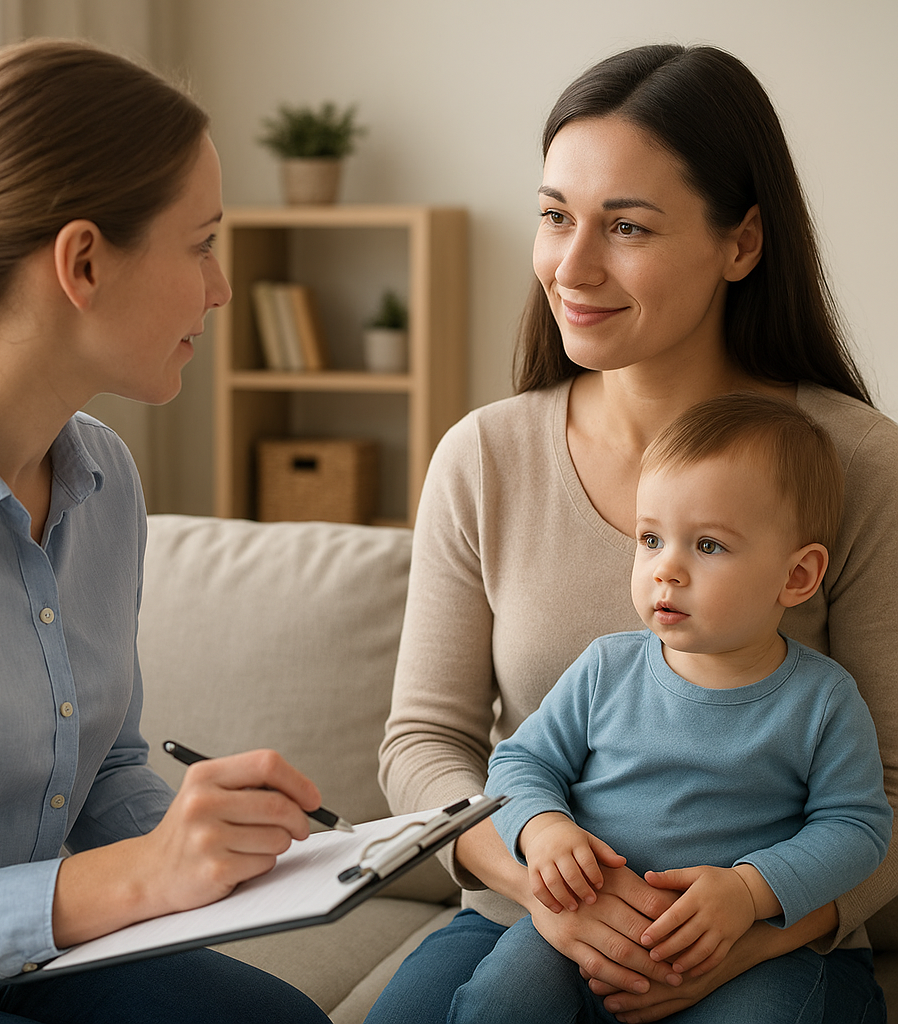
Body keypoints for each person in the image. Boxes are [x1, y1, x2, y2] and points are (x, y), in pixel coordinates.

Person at [370, 42, 898, 1024]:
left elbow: (891, 791)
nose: (570, 266)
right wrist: (545, 883)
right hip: (522, 921)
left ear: (740, 243)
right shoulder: (484, 455)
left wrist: (750, 927)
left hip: (768, 948)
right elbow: (424, 748)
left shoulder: (859, 464)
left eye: (625, 226)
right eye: (554, 216)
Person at [0, 40, 331, 1023]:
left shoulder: (104, 477)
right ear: (82, 261)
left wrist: (234, 841)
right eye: (202, 242)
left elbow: (106, 772)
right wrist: (135, 880)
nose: (218, 289)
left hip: (38, 958)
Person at [451, 392, 892, 1022]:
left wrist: (750, 891)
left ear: (796, 577)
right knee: (502, 1002)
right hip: (579, 925)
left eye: (708, 546)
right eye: (651, 539)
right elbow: (521, 762)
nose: (668, 571)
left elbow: (858, 828)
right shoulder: (606, 668)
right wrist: (543, 827)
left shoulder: (822, 699)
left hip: (744, 947)